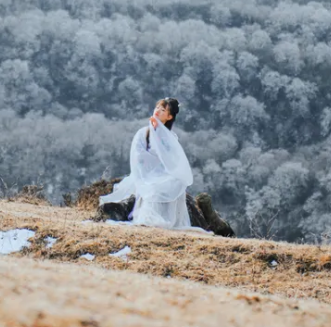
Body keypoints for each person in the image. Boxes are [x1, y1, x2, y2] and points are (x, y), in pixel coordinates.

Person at [99, 98, 235, 236]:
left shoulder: (171, 137)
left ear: (169, 116)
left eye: (163, 110)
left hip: (163, 174)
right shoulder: (144, 133)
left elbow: (173, 161)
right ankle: (150, 217)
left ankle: (167, 219)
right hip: (146, 173)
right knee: (155, 187)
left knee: (176, 182)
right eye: (157, 108)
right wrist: (153, 167)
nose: (158, 111)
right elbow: (138, 156)